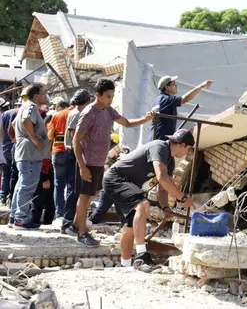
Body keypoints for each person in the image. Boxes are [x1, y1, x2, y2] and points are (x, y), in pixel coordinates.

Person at [72, 79, 154, 246]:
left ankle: (75, 225)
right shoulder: (89, 113)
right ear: (98, 95)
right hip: (87, 162)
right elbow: (76, 140)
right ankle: (82, 233)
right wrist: (81, 166)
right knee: (84, 196)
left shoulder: (108, 111)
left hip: (99, 162)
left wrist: (145, 119)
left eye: (112, 96)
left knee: (91, 195)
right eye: (107, 96)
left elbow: (127, 123)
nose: (110, 99)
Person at [103, 129, 195, 269]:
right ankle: (141, 255)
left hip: (129, 185)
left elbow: (162, 189)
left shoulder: (169, 162)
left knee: (129, 226)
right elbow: (162, 177)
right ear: (182, 145)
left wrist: (165, 208)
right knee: (142, 204)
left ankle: (125, 265)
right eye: (188, 149)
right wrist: (182, 198)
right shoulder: (160, 147)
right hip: (116, 179)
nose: (187, 153)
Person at [10, 84, 49, 230]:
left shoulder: (24, 107)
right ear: (36, 95)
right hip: (30, 153)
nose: (45, 96)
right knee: (27, 186)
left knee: (22, 185)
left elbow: (13, 125)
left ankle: (15, 217)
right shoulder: (31, 107)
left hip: (24, 151)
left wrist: (21, 139)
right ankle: (21, 220)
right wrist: (33, 139)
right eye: (43, 94)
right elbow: (25, 121)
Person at [60, 89, 91, 235]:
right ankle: (67, 223)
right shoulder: (77, 113)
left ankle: (72, 222)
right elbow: (75, 137)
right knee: (74, 190)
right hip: (73, 154)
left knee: (76, 189)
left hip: (75, 154)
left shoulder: (78, 112)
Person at [149, 75, 213, 141]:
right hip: (161, 140)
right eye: (173, 84)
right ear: (167, 87)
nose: (176, 85)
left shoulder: (157, 101)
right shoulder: (166, 99)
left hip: (153, 139)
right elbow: (185, 99)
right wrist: (202, 85)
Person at [47, 99, 73, 221]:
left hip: (58, 151)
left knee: (59, 184)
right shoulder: (81, 113)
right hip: (74, 152)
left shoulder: (57, 115)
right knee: (72, 185)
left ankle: (59, 214)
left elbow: (50, 136)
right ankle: (70, 214)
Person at [31, 115, 55, 225]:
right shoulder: (42, 138)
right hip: (43, 172)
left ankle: (47, 222)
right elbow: (42, 159)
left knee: (49, 200)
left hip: (47, 171)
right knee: (40, 200)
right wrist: (45, 178)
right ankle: (35, 221)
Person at [0, 103, 16, 205]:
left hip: (4, 148)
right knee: (14, 174)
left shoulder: (4, 115)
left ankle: (3, 196)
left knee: (6, 174)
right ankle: (11, 196)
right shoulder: (18, 112)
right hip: (14, 147)